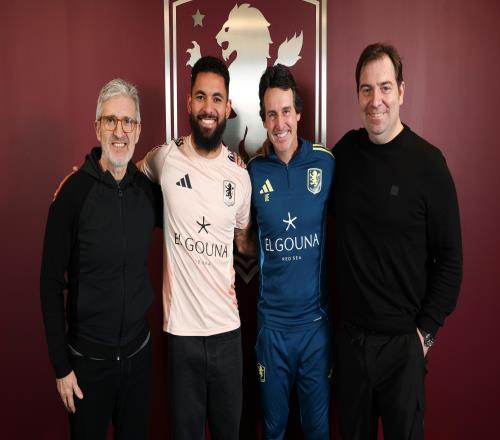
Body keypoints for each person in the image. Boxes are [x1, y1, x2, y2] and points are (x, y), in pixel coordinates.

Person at [332, 42, 463, 439]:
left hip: (403, 347)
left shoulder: (429, 164)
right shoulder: (344, 154)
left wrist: (424, 335)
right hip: (350, 343)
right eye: (367, 89)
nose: (376, 100)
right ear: (357, 95)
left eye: (385, 87)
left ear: (402, 91)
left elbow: (450, 260)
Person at [40, 79, 162, 439]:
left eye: (127, 121)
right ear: (97, 128)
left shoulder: (147, 192)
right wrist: (61, 368)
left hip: (138, 360)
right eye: (110, 120)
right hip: (86, 367)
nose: (119, 131)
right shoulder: (72, 195)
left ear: (138, 130)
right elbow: (49, 285)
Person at [139, 56, 253, 440]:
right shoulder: (165, 157)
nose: (208, 107)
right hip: (181, 336)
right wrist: (84, 178)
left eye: (217, 98)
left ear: (228, 107)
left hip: (228, 334)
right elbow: (123, 175)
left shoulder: (240, 175)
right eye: (201, 96)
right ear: (188, 102)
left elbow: (243, 241)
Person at [246, 64, 335, 439]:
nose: (279, 123)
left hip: (314, 327)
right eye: (271, 114)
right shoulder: (252, 172)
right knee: (273, 429)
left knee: (317, 430)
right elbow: (241, 236)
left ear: (299, 113)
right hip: (272, 330)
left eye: (285, 111)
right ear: (263, 120)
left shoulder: (326, 162)